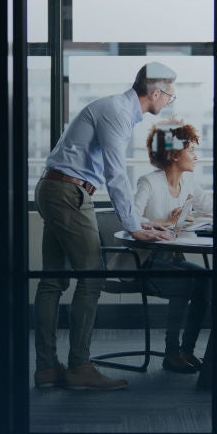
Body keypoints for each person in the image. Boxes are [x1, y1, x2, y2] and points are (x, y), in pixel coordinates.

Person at [33, 62, 177, 390]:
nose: (169, 101)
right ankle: (79, 367)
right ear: (155, 93)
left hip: (58, 189)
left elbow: (111, 174)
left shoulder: (116, 109)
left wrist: (138, 221)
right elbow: (115, 174)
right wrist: (134, 226)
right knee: (93, 277)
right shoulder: (116, 112)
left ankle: (46, 369)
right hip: (68, 192)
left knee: (53, 281)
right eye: (169, 95)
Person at [113, 119, 212, 373]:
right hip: (145, 263)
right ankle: (171, 352)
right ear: (173, 154)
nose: (195, 156)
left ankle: (186, 350)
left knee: (206, 281)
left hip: (173, 261)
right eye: (190, 150)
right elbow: (131, 218)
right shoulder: (149, 181)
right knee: (187, 282)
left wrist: (195, 218)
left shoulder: (190, 183)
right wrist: (166, 221)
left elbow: (212, 210)